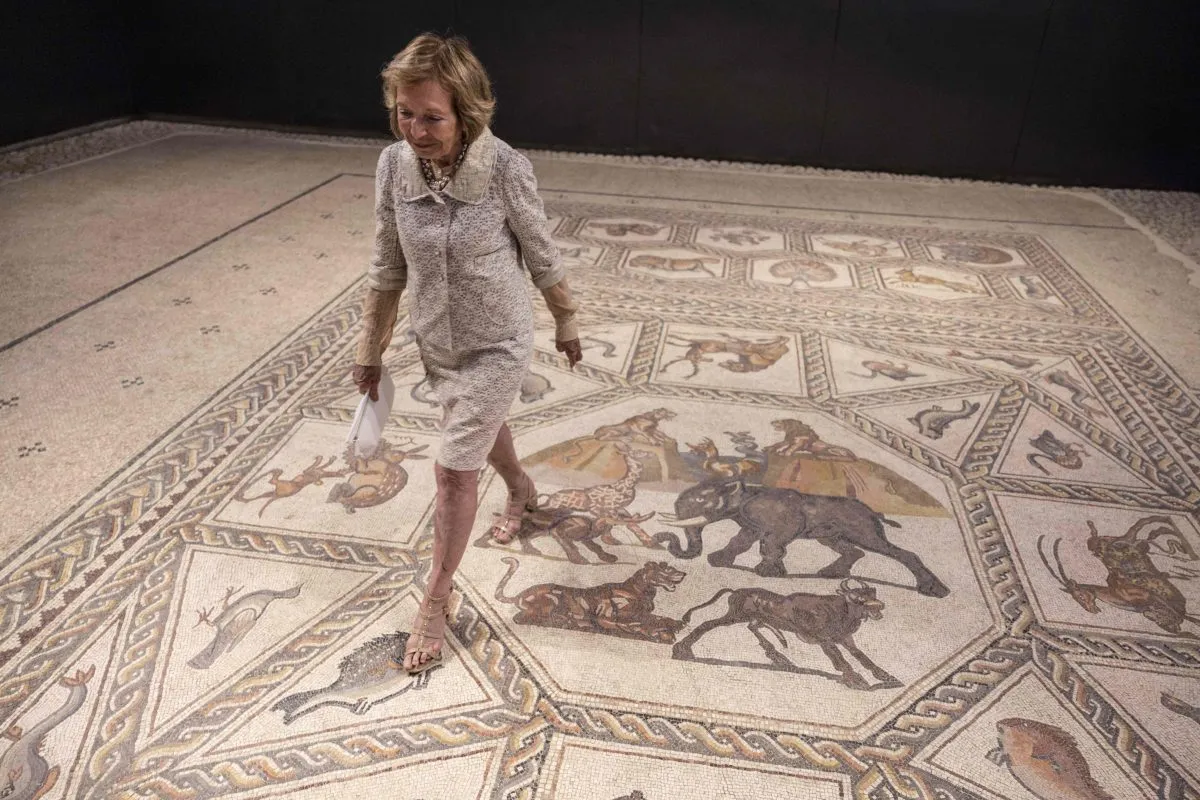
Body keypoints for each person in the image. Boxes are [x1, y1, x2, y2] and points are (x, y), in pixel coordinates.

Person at [352, 33, 583, 674]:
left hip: (498, 340)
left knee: (454, 467)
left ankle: (436, 596)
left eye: (432, 116)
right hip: (437, 340)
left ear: (468, 114)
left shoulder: (504, 167)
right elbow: (386, 261)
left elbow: (539, 248)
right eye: (405, 112)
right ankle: (522, 489)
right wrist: (370, 348)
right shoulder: (393, 165)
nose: (416, 130)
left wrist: (565, 318)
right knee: (479, 428)